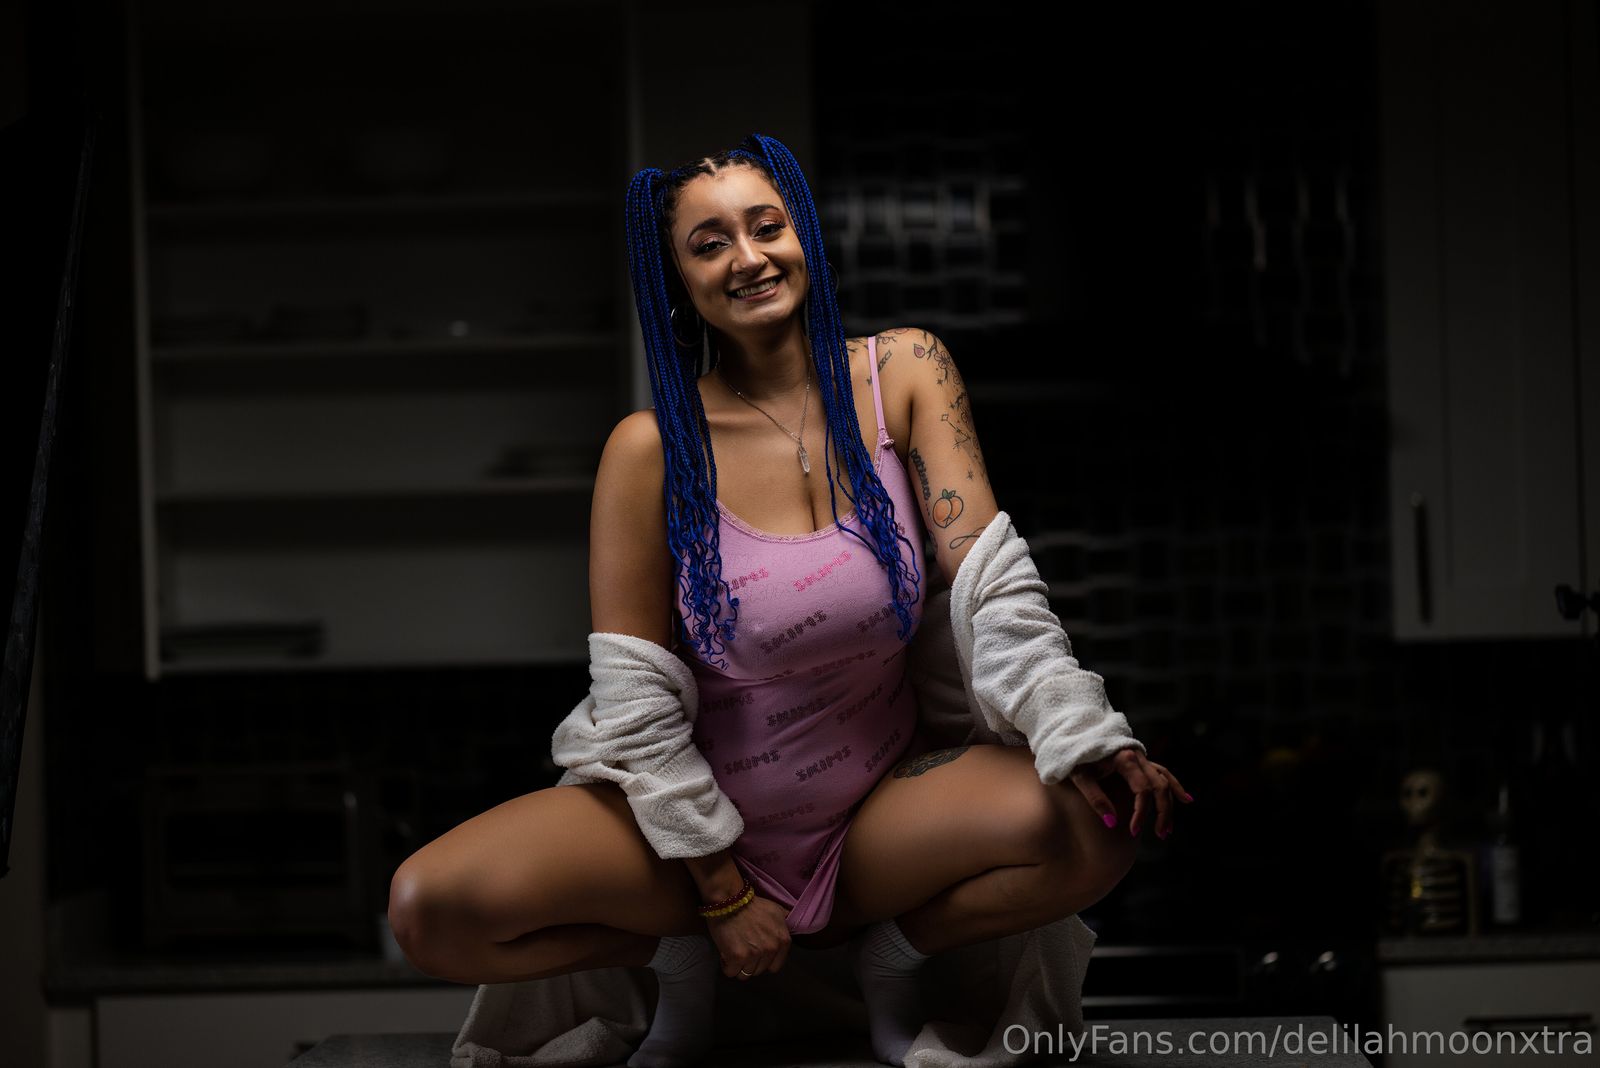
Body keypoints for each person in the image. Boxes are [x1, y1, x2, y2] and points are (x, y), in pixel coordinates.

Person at [387, 133, 1193, 1068]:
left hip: (876, 820)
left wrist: (1082, 730)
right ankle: (676, 961)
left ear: (802, 233)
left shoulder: (906, 372)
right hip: (684, 836)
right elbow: (634, 700)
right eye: (710, 244)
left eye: (766, 227)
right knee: (429, 910)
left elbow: (993, 589)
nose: (749, 257)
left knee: (1097, 825)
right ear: (678, 280)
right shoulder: (649, 451)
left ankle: (893, 958)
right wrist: (719, 888)